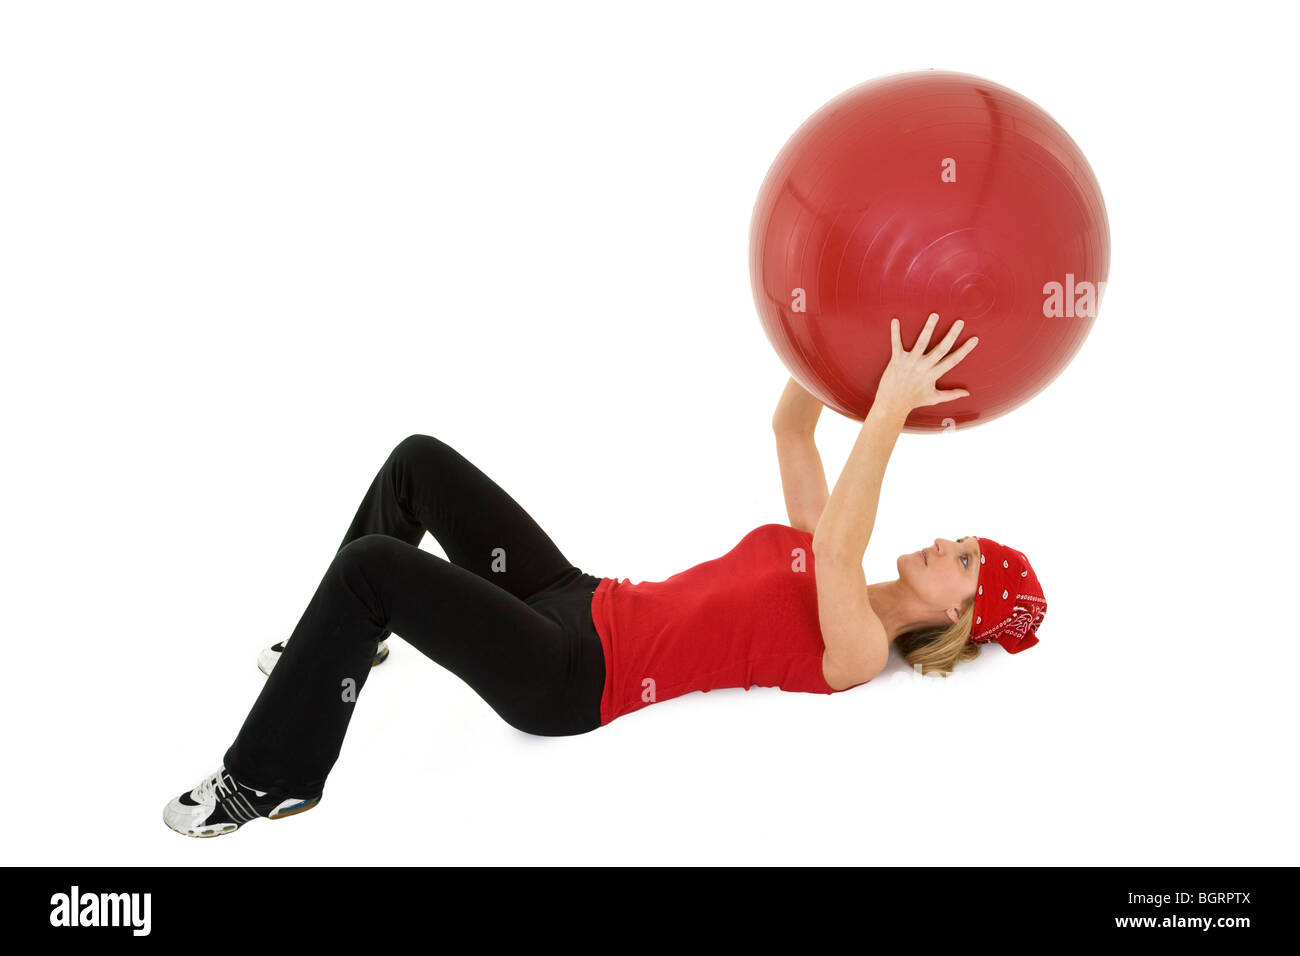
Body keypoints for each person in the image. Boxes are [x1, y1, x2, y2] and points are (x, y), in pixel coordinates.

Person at [163, 313, 1047, 837]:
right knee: (417, 463)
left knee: (373, 570)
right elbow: (791, 429)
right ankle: (335, 648)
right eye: (962, 540)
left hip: (570, 677)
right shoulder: (826, 547)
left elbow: (841, 552)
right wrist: (850, 326)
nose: (945, 544)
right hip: (576, 597)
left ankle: (270, 778)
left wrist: (892, 407)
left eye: (964, 562)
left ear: (960, 619)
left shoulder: (858, 649)